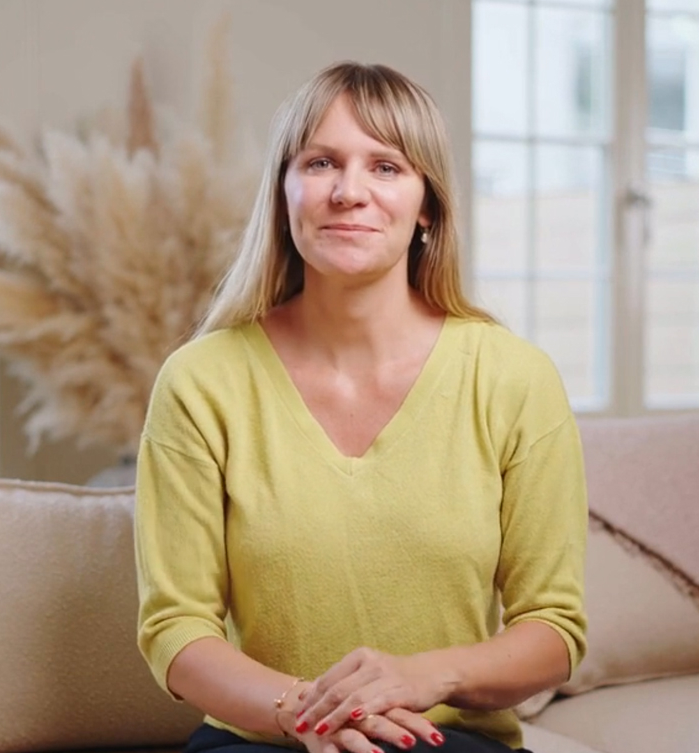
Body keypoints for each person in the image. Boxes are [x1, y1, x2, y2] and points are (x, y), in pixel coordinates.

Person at [134, 61, 587, 753]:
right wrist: (308, 712)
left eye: (385, 167)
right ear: (284, 192)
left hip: (444, 741)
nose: (349, 192)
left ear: (427, 205)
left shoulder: (514, 378)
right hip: (262, 739)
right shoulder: (200, 382)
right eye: (321, 163)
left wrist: (420, 677)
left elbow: (554, 630)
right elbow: (176, 628)